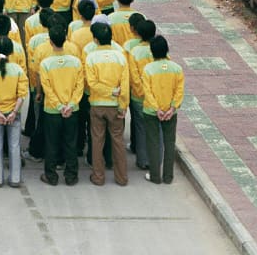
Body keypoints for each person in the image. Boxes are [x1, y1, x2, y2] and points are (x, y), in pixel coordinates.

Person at [37, 22, 85, 185]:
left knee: (51, 144)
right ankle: (71, 176)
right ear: (65, 39)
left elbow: (47, 89)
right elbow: (80, 86)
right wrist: (70, 105)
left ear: (50, 42)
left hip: (52, 111)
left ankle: (51, 176)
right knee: (70, 143)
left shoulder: (45, 64)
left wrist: (58, 106)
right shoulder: (76, 62)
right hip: (72, 110)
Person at [84, 19, 130, 186]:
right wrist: (123, 105)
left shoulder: (91, 58)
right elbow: (125, 84)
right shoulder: (120, 57)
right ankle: (122, 177)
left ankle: (98, 177)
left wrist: (107, 91)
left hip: (97, 104)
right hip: (116, 106)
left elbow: (92, 83)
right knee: (118, 142)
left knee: (97, 141)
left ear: (95, 39)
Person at [0, 35, 29, 188]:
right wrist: (14, 112)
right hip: (13, 114)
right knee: (15, 146)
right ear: (11, 51)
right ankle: (15, 178)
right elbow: (22, 94)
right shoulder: (18, 70)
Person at [139, 35, 185, 184]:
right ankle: (168, 176)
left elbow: (147, 91)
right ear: (167, 50)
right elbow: (179, 91)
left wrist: (156, 109)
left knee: (153, 143)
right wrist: (172, 108)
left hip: (152, 112)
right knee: (169, 143)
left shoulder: (148, 69)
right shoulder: (177, 69)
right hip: (171, 113)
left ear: (152, 52)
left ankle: (155, 176)